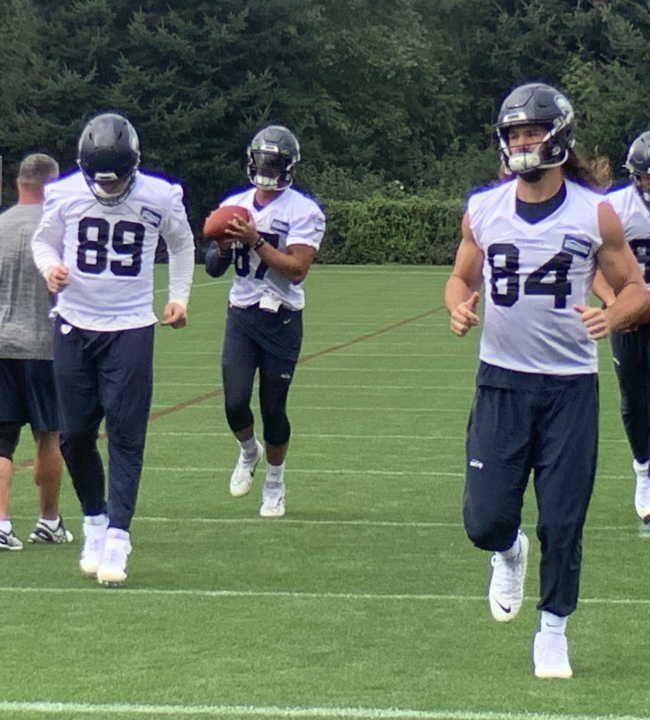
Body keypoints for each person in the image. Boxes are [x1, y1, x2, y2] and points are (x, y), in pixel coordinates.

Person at [445, 82, 647, 679]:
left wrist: (613, 314)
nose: (523, 143)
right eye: (514, 134)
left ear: (557, 137)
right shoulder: (483, 207)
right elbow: (460, 277)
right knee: (484, 522)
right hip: (501, 382)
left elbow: (634, 287)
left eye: (532, 132)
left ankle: (553, 627)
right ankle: (509, 553)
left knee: (563, 520)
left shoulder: (595, 211)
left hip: (568, 388)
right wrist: (457, 304)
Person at [31, 112, 195, 586]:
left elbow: (182, 246)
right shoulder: (63, 193)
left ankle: (119, 536)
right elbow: (44, 244)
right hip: (74, 324)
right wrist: (50, 269)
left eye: (117, 178)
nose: (109, 188)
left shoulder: (160, 195)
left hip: (130, 326)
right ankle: (96, 521)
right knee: (75, 435)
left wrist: (179, 296)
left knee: (126, 435)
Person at [205, 124, 325, 518]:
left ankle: (274, 482)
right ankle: (247, 451)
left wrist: (256, 240)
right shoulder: (235, 203)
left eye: (274, 162)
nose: (267, 168)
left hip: (282, 319)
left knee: (274, 409)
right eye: (262, 160)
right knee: (235, 402)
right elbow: (213, 268)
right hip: (241, 312)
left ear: (288, 166)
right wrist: (223, 247)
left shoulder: (303, 210)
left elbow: (296, 269)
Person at [0, 153, 74, 550]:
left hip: (2, 344)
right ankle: (48, 520)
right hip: (46, 345)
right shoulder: (58, 230)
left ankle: (2, 522)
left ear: (18, 183)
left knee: (1, 440)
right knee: (48, 436)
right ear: (53, 187)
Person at [594, 131, 650, 524]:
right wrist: (615, 305)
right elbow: (592, 266)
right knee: (634, 395)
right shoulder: (616, 207)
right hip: (630, 314)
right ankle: (644, 470)